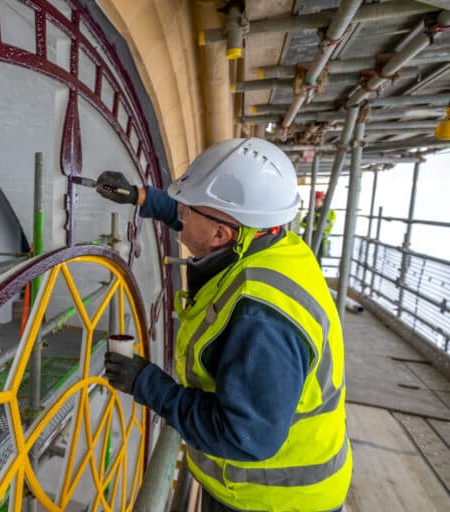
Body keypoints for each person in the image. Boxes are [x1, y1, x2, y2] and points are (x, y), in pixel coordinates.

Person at [96, 138, 350, 512]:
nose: (179, 211)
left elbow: (244, 437)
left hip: (271, 500)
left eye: (187, 207)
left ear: (220, 235)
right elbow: (209, 219)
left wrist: (146, 384)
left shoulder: (261, 318)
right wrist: (142, 198)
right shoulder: (274, 242)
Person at [299, 191, 337, 259]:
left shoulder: (330, 212)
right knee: (305, 258)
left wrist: (314, 221)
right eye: (314, 201)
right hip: (308, 236)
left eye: (317, 200)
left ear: (322, 201)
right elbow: (302, 224)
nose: (315, 203)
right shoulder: (312, 211)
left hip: (320, 238)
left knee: (316, 259)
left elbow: (324, 226)